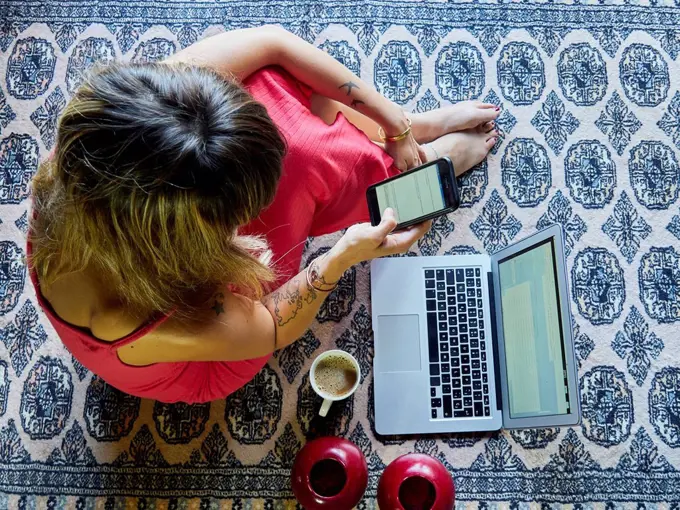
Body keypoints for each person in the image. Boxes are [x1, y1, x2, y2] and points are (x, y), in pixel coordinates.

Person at [29, 26, 499, 403]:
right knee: (308, 162)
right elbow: (271, 326)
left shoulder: (121, 125)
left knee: (277, 103)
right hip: (204, 352)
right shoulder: (130, 316)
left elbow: (273, 44)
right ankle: (404, 168)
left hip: (146, 235)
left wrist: (393, 118)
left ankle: (413, 135)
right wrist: (338, 259)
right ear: (199, 238)